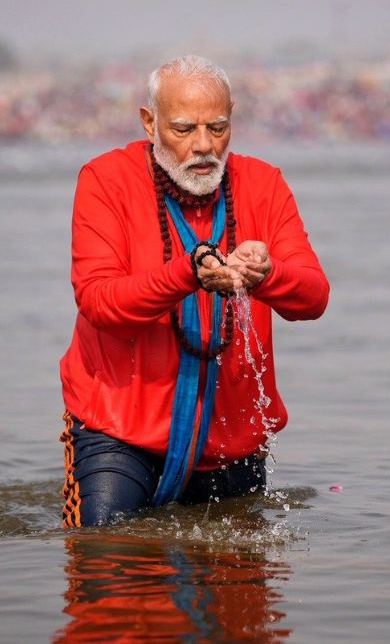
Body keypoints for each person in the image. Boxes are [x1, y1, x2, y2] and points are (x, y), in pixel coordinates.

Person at [59, 55, 329, 527]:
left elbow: (314, 297)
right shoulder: (104, 179)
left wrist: (267, 274)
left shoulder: (264, 183)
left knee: (238, 569)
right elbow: (100, 303)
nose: (204, 145)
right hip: (117, 431)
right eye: (183, 129)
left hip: (231, 437)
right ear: (150, 123)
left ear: (232, 118)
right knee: (103, 554)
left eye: (217, 128)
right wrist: (188, 272)